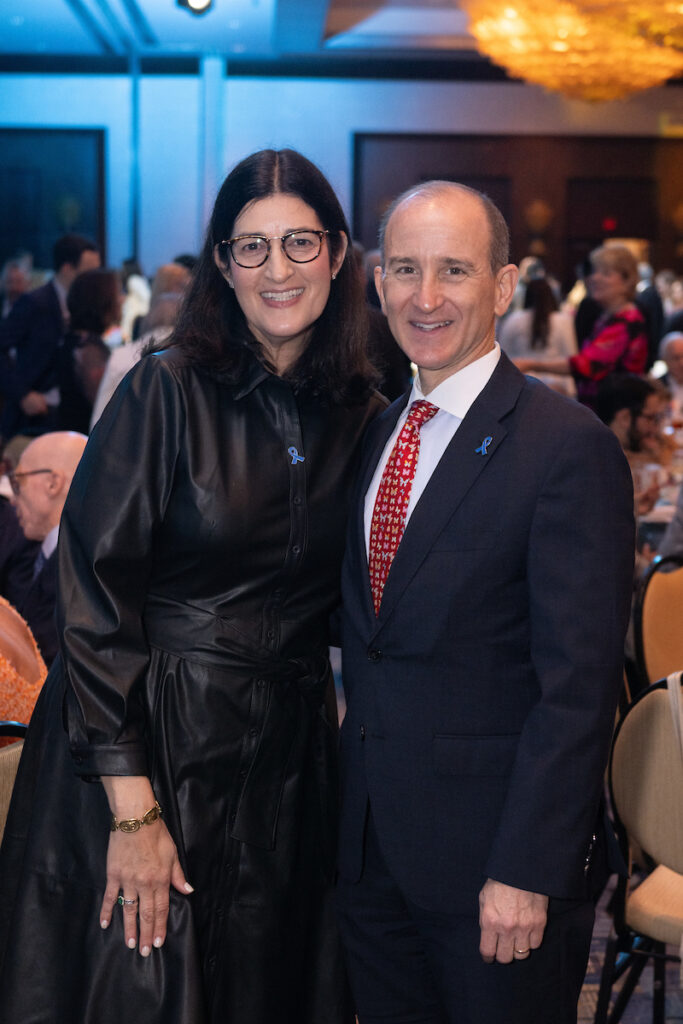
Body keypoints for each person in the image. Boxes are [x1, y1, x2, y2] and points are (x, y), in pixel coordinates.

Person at [0, 148, 383, 1024]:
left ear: (335, 252)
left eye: (298, 242)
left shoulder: (361, 406)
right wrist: (132, 813)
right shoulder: (163, 390)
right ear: (221, 262)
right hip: (145, 741)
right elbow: (92, 602)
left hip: (287, 756)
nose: (277, 269)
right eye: (251, 247)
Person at [335, 180, 635, 1024]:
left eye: (454, 271)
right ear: (378, 283)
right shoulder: (379, 432)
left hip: (496, 874)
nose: (424, 297)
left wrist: (527, 869)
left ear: (502, 288)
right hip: (369, 856)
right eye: (403, 269)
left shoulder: (564, 449)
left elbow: (575, 689)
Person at [515, 244, 648, 410]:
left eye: (606, 273)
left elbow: (586, 365)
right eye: (595, 271)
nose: (594, 278)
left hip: (617, 415)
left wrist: (531, 363)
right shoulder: (606, 317)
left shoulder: (627, 321)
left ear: (626, 280)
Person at [0, 234, 100, 441]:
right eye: (88, 273)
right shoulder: (35, 303)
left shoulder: (85, 306)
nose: (94, 280)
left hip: (70, 415)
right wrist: (23, 394)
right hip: (35, 416)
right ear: (67, 268)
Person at [8, 431, 88, 666]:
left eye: (18, 481)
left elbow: (44, 658)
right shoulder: (46, 552)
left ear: (53, 483)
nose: (12, 498)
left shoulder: (80, 569)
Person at [57, 268, 117, 433]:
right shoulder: (89, 349)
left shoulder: (75, 339)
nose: (122, 299)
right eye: (117, 294)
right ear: (102, 301)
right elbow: (104, 407)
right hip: (82, 443)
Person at [498, 276, 577, 395]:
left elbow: (503, 355)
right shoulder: (563, 320)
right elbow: (571, 356)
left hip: (522, 384)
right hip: (557, 386)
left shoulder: (514, 319)